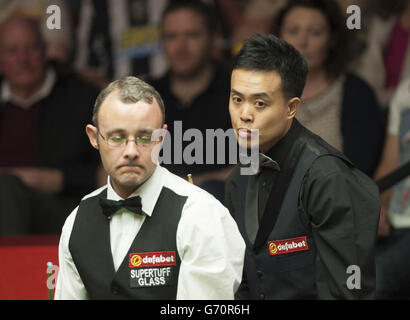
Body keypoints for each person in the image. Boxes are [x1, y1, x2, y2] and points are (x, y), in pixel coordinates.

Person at [54, 76, 245, 300]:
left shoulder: (201, 215)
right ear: (94, 137)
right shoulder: (76, 222)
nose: (131, 151)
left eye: (145, 138)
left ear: (161, 139)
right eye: (117, 137)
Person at [224, 34, 381, 299]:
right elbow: (243, 286)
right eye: (237, 99)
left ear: (291, 108)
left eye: (260, 103)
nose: (244, 114)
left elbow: (347, 292)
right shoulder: (237, 180)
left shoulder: (326, 177)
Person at [0, 14, 100, 236]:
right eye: (12, 51)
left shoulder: (82, 98)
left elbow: (109, 172)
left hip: (63, 212)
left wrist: (56, 179)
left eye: (31, 49)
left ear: (45, 51)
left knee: (5, 190)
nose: (22, 60)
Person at [272, 0, 383, 177]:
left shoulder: (355, 94)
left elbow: (358, 173)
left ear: (332, 40)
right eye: (293, 31)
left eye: (315, 33)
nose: (302, 42)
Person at [148, 0, 233, 202]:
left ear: (213, 38)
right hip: (153, 212)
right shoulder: (144, 96)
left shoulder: (240, 93)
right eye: (172, 37)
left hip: (223, 209)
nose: (181, 47)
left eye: (193, 35)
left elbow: (254, 168)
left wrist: (194, 183)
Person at [373, 77, 410, 299]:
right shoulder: (406, 91)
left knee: (374, 281)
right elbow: (389, 165)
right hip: (395, 222)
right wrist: (375, 206)